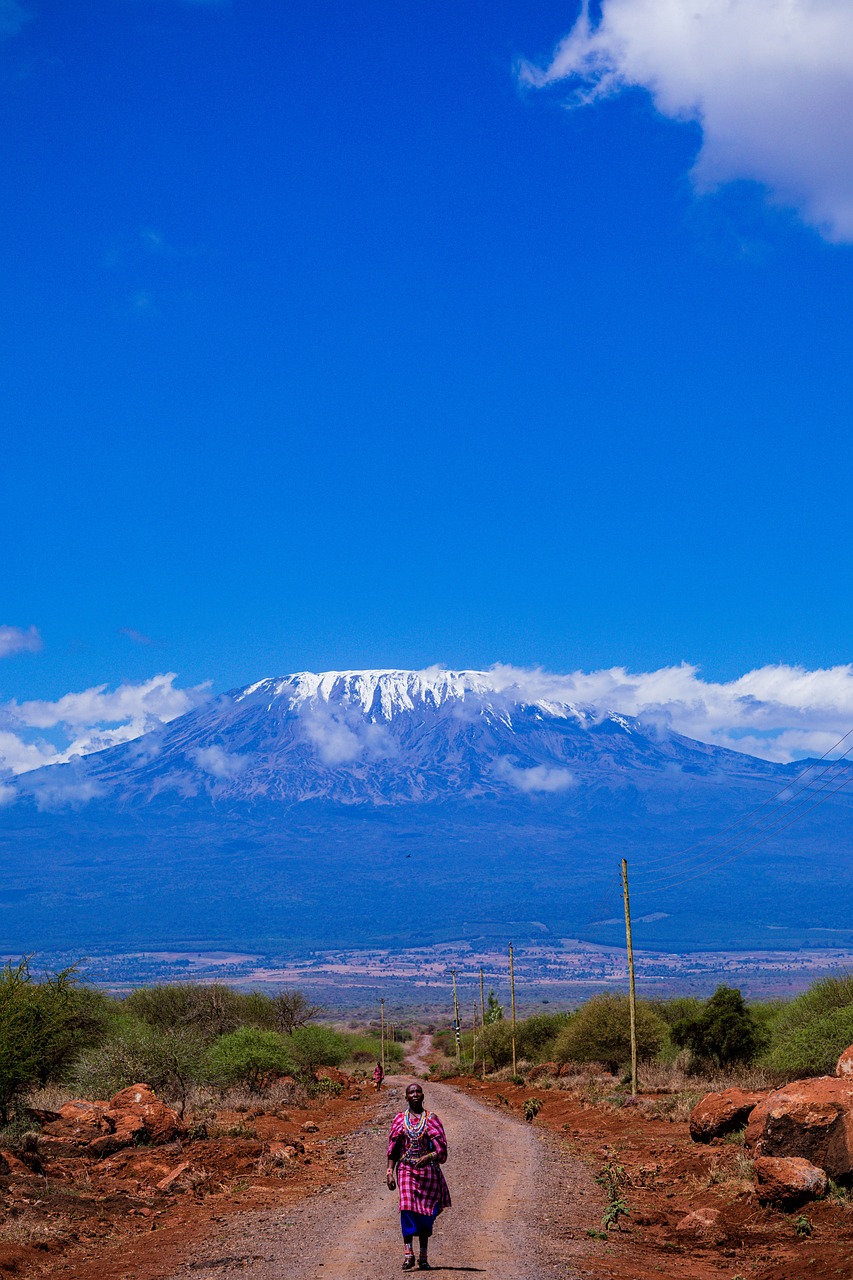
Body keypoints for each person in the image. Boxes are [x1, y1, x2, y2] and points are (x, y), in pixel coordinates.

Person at [386, 1082, 451, 1271]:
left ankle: (423, 1258)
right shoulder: (400, 1119)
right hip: (406, 1169)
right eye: (411, 1092)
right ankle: (409, 1255)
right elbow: (393, 1149)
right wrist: (389, 1172)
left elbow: (442, 1150)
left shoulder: (432, 1119)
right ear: (406, 1097)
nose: (415, 1094)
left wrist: (428, 1157)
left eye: (418, 1091)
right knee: (406, 1208)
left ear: (423, 1096)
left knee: (425, 1214)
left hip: (428, 1172)